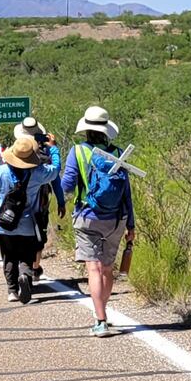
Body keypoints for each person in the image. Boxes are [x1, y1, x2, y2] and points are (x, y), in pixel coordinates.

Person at [61, 106, 136, 338]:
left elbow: (67, 185)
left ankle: (100, 319)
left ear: (86, 129)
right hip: (116, 218)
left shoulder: (78, 152)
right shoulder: (118, 153)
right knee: (107, 268)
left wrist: (56, 198)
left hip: (87, 217)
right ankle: (102, 313)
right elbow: (126, 192)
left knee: (93, 268)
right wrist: (131, 224)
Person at [0, 136, 61, 304]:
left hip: (5, 224)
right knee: (27, 256)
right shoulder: (38, 173)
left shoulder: (1, 171)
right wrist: (53, 149)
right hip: (29, 224)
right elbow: (55, 170)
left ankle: (12, 290)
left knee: (9, 257)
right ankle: (25, 276)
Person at [13, 117, 66, 280]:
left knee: (17, 230)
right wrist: (61, 201)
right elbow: (56, 176)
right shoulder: (47, 153)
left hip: (17, 198)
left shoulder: (15, 151)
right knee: (39, 231)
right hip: (41, 198)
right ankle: (34, 267)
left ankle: (21, 268)